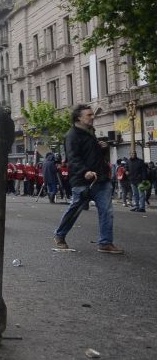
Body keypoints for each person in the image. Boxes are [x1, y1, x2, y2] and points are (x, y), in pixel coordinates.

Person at [53, 105, 123, 254]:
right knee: (75, 210)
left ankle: (105, 243)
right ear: (79, 117)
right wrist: (85, 172)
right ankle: (60, 235)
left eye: (92, 114)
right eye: (89, 115)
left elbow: (90, 154)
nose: (92, 117)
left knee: (106, 211)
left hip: (101, 179)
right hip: (82, 181)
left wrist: (102, 148)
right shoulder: (72, 135)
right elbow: (73, 158)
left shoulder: (90, 132)